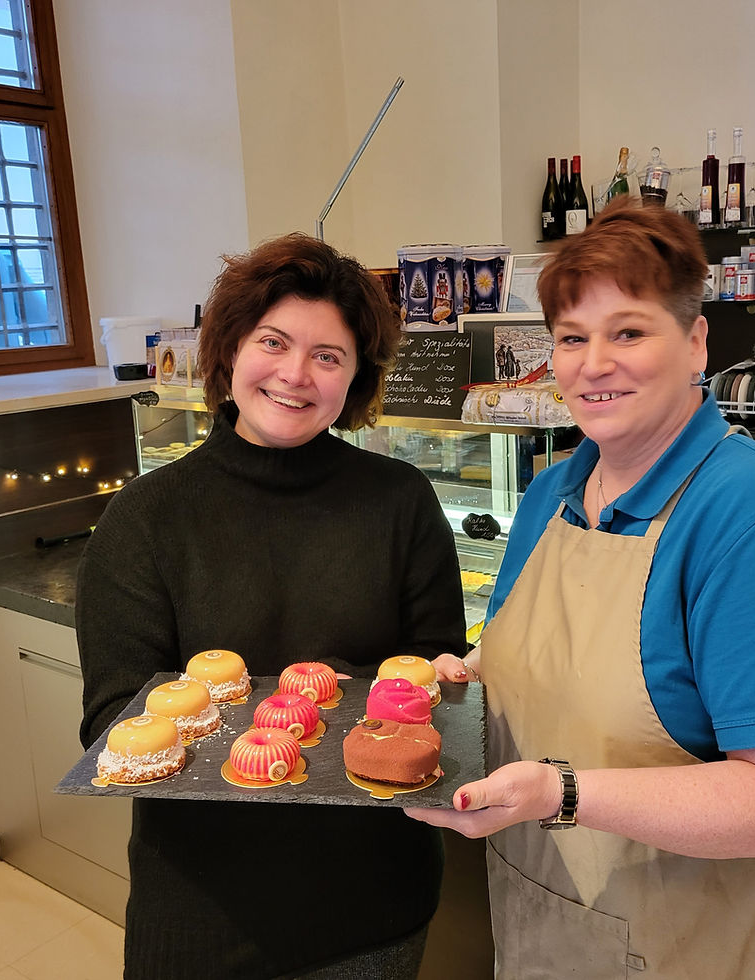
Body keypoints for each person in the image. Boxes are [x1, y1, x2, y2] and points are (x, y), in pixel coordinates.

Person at [410, 198, 755, 979]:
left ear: (694, 343)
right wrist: (471, 680)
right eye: (572, 339)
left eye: (628, 331)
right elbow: (534, 651)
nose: (594, 363)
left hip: (707, 948)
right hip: (547, 929)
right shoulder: (554, 495)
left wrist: (562, 792)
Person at [77, 233, 466, 979]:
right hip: (205, 905)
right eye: (274, 341)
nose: (296, 374)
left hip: (372, 901)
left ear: (356, 379)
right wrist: (283, 717)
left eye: (328, 356)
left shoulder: (400, 503)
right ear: (228, 349)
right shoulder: (148, 518)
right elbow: (114, 720)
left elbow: (432, 684)